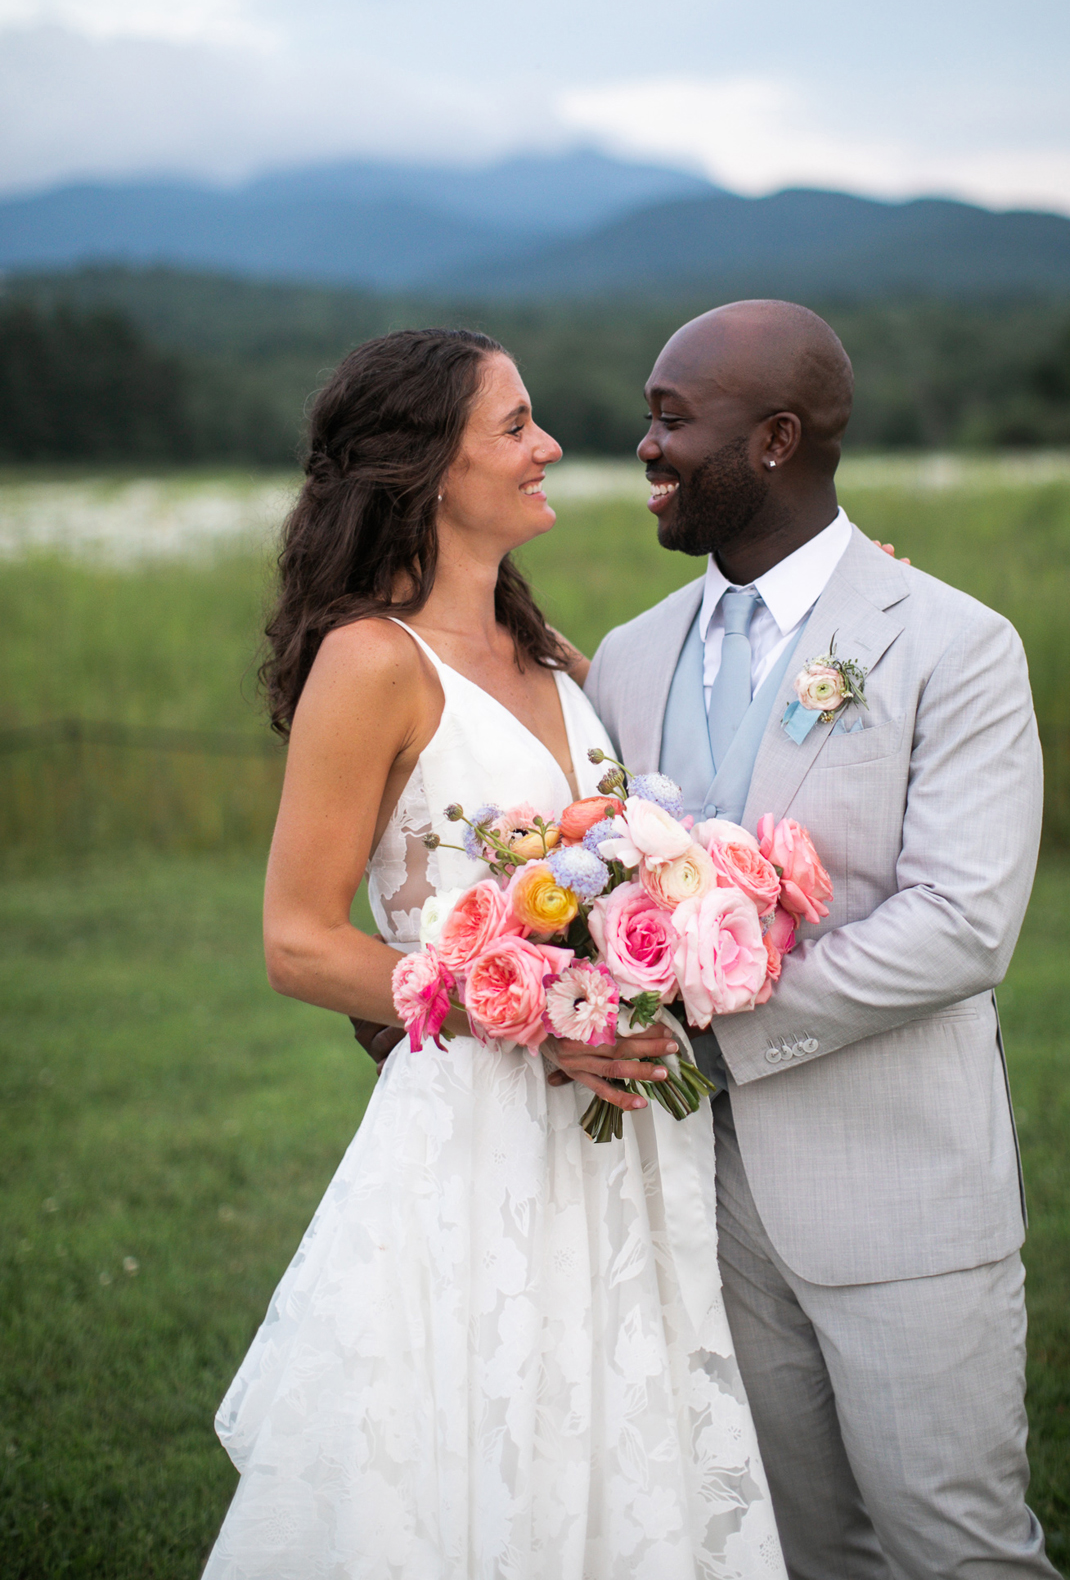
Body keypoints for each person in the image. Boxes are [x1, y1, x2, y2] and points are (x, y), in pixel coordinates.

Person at [202, 327, 785, 1579]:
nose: (550, 447)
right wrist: (532, 1012)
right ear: (424, 466)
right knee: (479, 1450)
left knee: (612, 1451)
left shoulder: (552, 656)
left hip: (623, 1139)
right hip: (479, 1137)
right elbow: (299, 943)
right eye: (515, 425)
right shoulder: (371, 662)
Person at [582, 299, 1060, 1580]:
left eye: (674, 420)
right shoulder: (626, 660)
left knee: (957, 1548)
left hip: (899, 1197)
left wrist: (718, 1036)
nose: (647, 447)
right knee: (798, 1555)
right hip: (697, 1214)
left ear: (778, 439)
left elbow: (962, 925)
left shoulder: (953, 645)